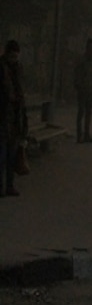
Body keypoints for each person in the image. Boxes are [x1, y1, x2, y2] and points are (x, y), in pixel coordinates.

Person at [0, 40, 29, 197]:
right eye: (12, 55)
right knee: (2, 155)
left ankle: (9, 185)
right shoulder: (2, 68)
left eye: (16, 56)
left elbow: (21, 94)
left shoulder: (18, 68)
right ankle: (2, 186)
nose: (14, 58)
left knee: (11, 155)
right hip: (3, 116)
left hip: (15, 118)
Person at [74, 38, 92, 143]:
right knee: (81, 112)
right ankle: (79, 135)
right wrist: (78, 86)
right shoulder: (82, 60)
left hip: (90, 90)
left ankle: (86, 134)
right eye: (90, 47)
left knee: (88, 113)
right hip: (83, 90)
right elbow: (77, 74)